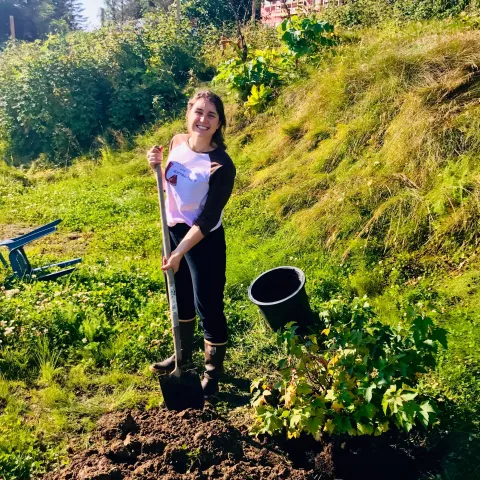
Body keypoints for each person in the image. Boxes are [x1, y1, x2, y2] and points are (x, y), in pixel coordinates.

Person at [146, 90, 236, 398]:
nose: (203, 119)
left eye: (211, 115)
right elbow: (168, 186)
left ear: (219, 123)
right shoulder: (176, 143)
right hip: (171, 231)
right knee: (179, 297)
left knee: (207, 306)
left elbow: (208, 219)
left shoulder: (221, 166)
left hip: (203, 241)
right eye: (198, 112)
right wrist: (156, 167)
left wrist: (181, 251)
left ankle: (212, 373)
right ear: (188, 113)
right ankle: (181, 357)